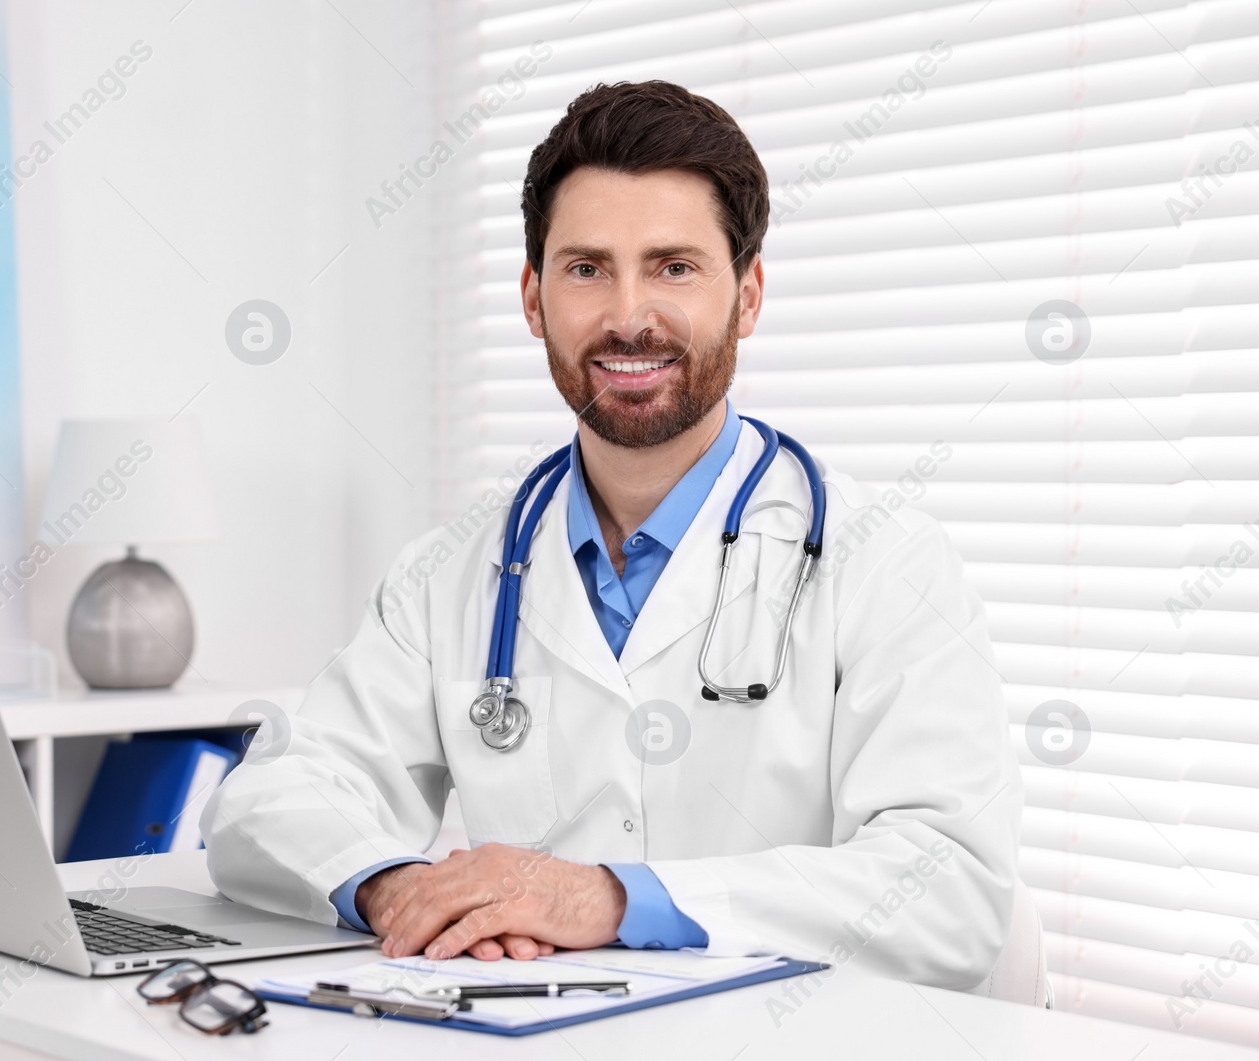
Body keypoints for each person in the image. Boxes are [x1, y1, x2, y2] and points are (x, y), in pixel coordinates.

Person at [202, 80, 1021, 992]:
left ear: (747, 296)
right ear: (532, 296)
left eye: (673, 266)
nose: (628, 315)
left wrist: (614, 899)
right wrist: (397, 888)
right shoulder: (451, 576)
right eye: (587, 268)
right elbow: (267, 798)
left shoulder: (885, 561)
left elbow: (948, 888)